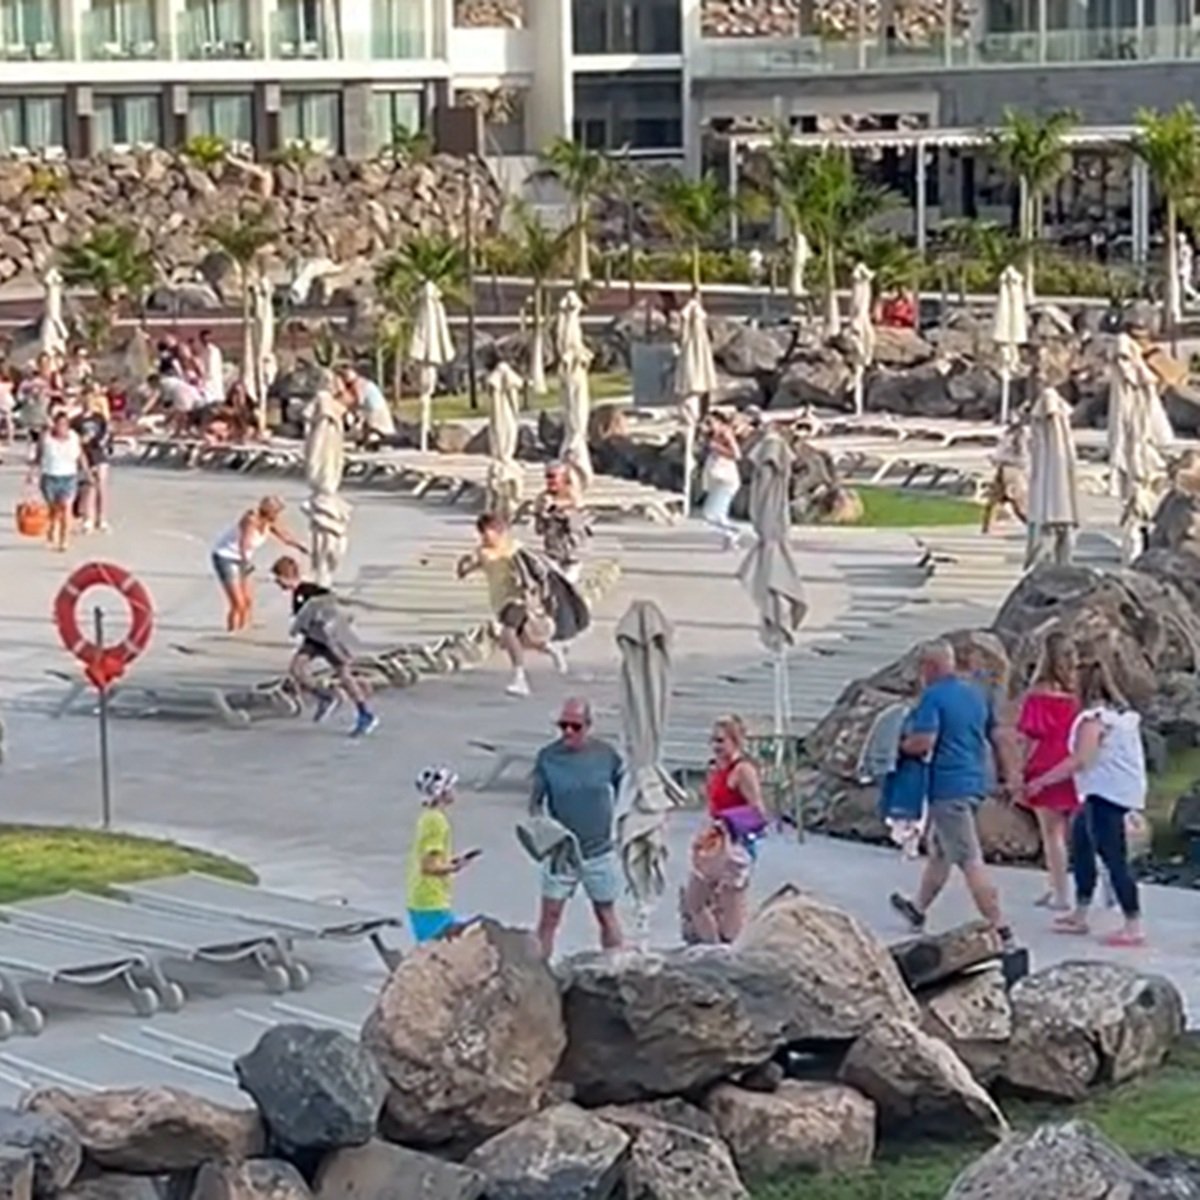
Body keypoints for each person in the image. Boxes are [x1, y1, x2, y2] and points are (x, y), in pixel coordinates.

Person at [889, 640, 1016, 947]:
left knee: (970, 859)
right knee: (940, 852)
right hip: (975, 782)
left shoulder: (934, 697)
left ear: (929, 667)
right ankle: (917, 909)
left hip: (948, 787)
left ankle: (1000, 927)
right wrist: (1009, 776)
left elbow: (924, 742)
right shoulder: (975, 693)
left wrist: (897, 748)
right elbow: (997, 736)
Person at [1027, 661, 1147, 947]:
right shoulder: (1122, 717)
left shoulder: (1094, 720)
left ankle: (1133, 923)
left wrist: (1043, 780)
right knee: (1081, 842)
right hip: (1101, 792)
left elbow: (1082, 759)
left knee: (1112, 856)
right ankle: (1080, 912)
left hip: (1106, 795)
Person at [532, 697, 624, 958]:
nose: (568, 733)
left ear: (588, 726)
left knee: (606, 913)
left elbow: (624, 787)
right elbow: (535, 804)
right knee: (549, 917)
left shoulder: (606, 754)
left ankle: (616, 966)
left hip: (599, 848)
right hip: (562, 851)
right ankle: (540, 973)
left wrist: (623, 823)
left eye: (575, 726)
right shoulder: (548, 757)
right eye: (563, 726)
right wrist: (543, 833)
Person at [457, 512, 566, 697]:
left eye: (490, 531)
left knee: (508, 633)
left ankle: (520, 678)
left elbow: (534, 570)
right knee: (520, 641)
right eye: (482, 532)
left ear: (501, 531)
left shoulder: (514, 549)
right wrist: (464, 565)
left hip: (517, 599)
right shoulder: (482, 552)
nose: (485, 536)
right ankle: (550, 648)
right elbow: (466, 570)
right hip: (499, 603)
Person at [270, 555, 379, 738]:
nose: (277, 583)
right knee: (296, 670)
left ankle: (365, 714)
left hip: (330, 641)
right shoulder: (297, 594)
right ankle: (326, 696)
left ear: (287, 576)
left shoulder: (310, 590)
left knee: (345, 676)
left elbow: (331, 602)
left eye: (278, 579)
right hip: (314, 639)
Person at [682, 715, 767, 944]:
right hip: (714, 843)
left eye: (721, 741)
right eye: (713, 741)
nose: (716, 747)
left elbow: (759, 813)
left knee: (731, 917)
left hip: (736, 845)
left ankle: (725, 952)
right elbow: (713, 807)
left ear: (735, 741)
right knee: (695, 901)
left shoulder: (743, 770)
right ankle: (713, 948)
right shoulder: (717, 770)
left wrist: (727, 822)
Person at [1014, 634, 1081, 912]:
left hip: (1045, 763)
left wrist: (1019, 769)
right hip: (1072, 763)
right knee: (1064, 830)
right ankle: (1056, 885)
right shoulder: (1076, 694)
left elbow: (1029, 736)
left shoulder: (1038, 693)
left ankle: (1060, 893)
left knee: (1050, 833)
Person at [406, 766, 480, 943]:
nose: (455, 791)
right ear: (441, 793)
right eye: (451, 787)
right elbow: (429, 866)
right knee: (435, 950)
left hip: (424, 897)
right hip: (431, 899)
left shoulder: (427, 817)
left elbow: (430, 857)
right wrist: (455, 867)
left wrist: (449, 861)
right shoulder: (438, 822)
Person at [211, 496, 306, 632]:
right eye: (276, 511)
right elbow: (243, 543)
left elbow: (284, 536)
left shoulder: (270, 522)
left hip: (244, 559)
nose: (278, 515)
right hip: (226, 557)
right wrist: (245, 562)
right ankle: (231, 632)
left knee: (248, 601)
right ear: (268, 510)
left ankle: (243, 631)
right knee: (238, 603)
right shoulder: (250, 519)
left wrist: (299, 546)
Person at [27, 408, 88, 552]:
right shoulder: (46, 438)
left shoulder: (73, 437)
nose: (62, 428)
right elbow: (38, 457)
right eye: (59, 424)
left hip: (68, 477)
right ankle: (52, 528)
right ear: (54, 424)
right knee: (54, 509)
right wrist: (32, 474)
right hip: (50, 476)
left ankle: (64, 540)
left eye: (65, 425)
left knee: (66, 507)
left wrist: (86, 472)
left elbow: (81, 455)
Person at [534, 463, 590, 584]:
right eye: (547, 477)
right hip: (553, 553)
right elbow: (539, 530)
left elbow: (576, 520)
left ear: (564, 478)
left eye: (552, 476)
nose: (549, 480)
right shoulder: (542, 498)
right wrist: (541, 513)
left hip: (572, 555)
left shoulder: (573, 496)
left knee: (566, 586)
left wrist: (558, 508)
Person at [73, 386, 113, 533]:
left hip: (99, 454)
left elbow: (106, 434)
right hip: (85, 455)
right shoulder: (76, 420)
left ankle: (101, 518)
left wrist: (97, 441)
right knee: (88, 487)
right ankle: (87, 519)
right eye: (85, 399)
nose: (88, 402)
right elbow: (74, 439)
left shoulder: (99, 418)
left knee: (101, 486)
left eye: (91, 399)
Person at [701, 410, 743, 549]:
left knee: (711, 514)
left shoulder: (726, 434)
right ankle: (729, 538)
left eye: (710, 422)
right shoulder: (712, 436)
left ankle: (734, 531)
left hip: (726, 480)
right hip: (718, 479)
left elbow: (737, 455)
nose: (707, 426)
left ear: (719, 422)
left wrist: (717, 448)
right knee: (718, 513)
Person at [339, 365, 396, 446]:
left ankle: (373, 440)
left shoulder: (358, 383)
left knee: (372, 426)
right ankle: (367, 440)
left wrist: (352, 410)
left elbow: (359, 401)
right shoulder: (361, 382)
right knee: (367, 425)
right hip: (376, 406)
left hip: (374, 408)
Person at [199, 330, 225, 407]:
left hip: (212, 380)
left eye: (207, 338)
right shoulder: (203, 351)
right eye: (203, 339)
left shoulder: (214, 351)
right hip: (208, 380)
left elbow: (212, 368)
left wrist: (206, 378)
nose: (205, 340)